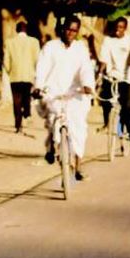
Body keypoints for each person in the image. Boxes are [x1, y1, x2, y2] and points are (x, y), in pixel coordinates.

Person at [34, 17, 96, 181]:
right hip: (53, 92)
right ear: (62, 29)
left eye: (74, 30)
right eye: (68, 29)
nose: (70, 33)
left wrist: (87, 85)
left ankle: (78, 166)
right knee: (52, 119)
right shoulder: (50, 47)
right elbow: (42, 67)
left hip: (75, 93)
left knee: (79, 127)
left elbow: (86, 69)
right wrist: (38, 86)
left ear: (77, 32)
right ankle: (51, 148)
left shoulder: (80, 49)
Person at [98, 17, 130, 142]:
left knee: (127, 106)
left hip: (127, 77)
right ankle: (107, 123)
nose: (118, 30)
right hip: (112, 76)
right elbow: (104, 59)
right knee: (105, 98)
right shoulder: (108, 40)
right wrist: (99, 74)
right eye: (116, 27)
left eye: (121, 27)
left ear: (125, 28)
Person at [3, 21, 41, 134]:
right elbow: (37, 59)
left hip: (15, 75)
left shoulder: (10, 42)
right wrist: (34, 71)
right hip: (29, 74)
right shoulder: (34, 42)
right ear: (26, 30)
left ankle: (18, 126)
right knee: (26, 96)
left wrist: (9, 70)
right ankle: (27, 113)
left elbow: (6, 60)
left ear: (16, 30)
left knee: (16, 101)